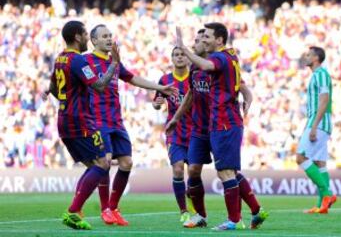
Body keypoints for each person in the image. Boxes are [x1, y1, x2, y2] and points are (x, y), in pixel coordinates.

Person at [169, 28, 267, 229]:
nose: (199, 43)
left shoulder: (218, 62)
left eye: (203, 39)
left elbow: (243, 88)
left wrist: (247, 101)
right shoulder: (196, 69)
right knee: (194, 170)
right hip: (201, 128)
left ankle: (243, 215)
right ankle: (200, 216)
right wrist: (176, 118)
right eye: (197, 40)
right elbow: (190, 95)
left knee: (228, 171)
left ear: (214, 41)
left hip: (220, 124)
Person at [84, 24, 178, 226]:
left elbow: (133, 79)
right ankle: (104, 210)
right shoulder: (86, 61)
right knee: (105, 161)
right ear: (94, 41)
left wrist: (161, 87)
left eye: (110, 35)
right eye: (104, 36)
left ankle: (113, 207)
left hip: (116, 120)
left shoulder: (114, 62)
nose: (109, 39)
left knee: (126, 163)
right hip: (96, 121)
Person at [46, 20, 119, 230]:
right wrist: (114, 63)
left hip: (64, 120)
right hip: (80, 121)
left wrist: (67, 101)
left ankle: (76, 210)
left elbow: (52, 87)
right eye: (86, 34)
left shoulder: (60, 59)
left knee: (93, 166)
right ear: (78, 37)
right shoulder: (78, 61)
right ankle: (72, 211)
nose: (87, 38)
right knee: (102, 164)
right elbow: (98, 86)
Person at [152, 47, 193, 223]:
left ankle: (195, 205)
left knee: (194, 172)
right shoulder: (165, 80)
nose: (180, 57)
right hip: (174, 132)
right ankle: (184, 211)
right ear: (172, 59)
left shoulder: (195, 78)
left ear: (188, 58)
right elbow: (156, 103)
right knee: (177, 169)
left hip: (195, 133)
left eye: (183, 54)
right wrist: (157, 103)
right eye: (176, 55)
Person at [296, 46, 337, 214]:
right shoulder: (318, 75)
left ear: (316, 58)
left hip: (318, 123)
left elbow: (324, 100)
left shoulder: (321, 74)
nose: (305, 57)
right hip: (321, 123)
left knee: (300, 157)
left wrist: (313, 126)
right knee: (320, 163)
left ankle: (327, 193)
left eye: (308, 55)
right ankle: (322, 205)